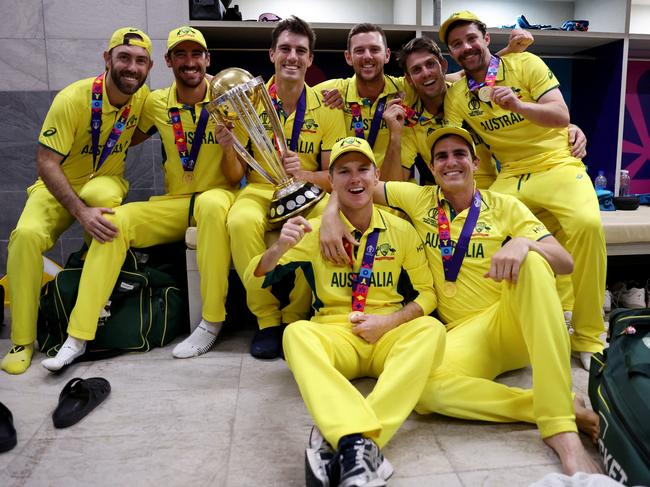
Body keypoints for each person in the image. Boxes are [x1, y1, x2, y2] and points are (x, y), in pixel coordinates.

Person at [320, 127, 601, 475]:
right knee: (423, 392)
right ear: (433, 167)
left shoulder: (504, 205)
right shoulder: (418, 198)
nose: (450, 162)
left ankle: (561, 429)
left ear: (475, 161)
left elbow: (565, 261)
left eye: (459, 154)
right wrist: (330, 216)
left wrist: (526, 244)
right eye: (441, 157)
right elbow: (355, 186)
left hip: (509, 322)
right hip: (464, 333)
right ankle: (547, 404)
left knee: (531, 262)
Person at [40, 26, 244, 370]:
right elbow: (123, 137)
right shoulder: (155, 103)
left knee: (210, 205)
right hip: (175, 204)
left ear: (208, 59)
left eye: (197, 54)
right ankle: (78, 336)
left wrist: (228, 146)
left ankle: (211, 321)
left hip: (218, 197)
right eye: (181, 54)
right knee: (113, 223)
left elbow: (236, 177)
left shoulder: (226, 100)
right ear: (168, 61)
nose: (189, 62)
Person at [249, 137, 445, 486]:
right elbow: (258, 275)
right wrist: (279, 246)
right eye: (343, 172)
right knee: (295, 333)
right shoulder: (313, 231)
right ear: (332, 182)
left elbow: (428, 293)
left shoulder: (399, 229)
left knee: (432, 330)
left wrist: (389, 322)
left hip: (387, 333)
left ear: (375, 176)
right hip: (336, 332)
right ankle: (359, 445)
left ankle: (348, 440)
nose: (354, 179)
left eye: (362, 170)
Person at [440, 11, 606, 368]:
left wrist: (517, 105)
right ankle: (507, 326)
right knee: (484, 233)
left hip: (557, 162)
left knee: (587, 226)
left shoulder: (526, 63)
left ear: (485, 38)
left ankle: (590, 335)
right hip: (511, 174)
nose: (466, 47)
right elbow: (469, 151)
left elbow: (561, 116)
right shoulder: (457, 96)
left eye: (471, 38)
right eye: (456, 44)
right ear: (451, 52)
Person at [1, 27, 153, 375]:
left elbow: (151, 124)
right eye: (124, 57)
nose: (132, 67)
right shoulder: (74, 98)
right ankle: (22, 340)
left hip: (104, 184)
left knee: (102, 197)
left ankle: (93, 296)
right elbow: (46, 161)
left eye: (140, 61)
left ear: (149, 67)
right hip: (57, 186)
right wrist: (79, 212)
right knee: (24, 237)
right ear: (107, 59)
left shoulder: (143, 99)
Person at [225, 16, 347, 359]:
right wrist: (226, 145)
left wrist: (305, 174)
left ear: (310, 59)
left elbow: (331, 175)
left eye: (300, 51)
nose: (292, 56)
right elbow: (235, 175)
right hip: (261, 189)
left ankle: (295, 315)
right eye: (285, 49)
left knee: (325, 219)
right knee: (240, 221)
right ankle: (266, 319)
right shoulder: (248, 103)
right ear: (271, 54)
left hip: (308, 193)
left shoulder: (325, 107)